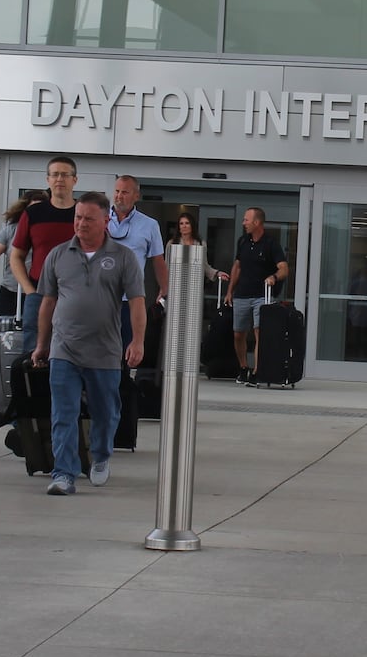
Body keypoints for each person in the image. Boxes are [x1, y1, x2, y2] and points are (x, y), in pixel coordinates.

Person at [32, 191, 145, 496]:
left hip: (105, 351)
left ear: (105, 221)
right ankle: (63, 473)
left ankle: (101, 454)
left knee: (105, 412)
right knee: (63, 413)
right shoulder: (58, 254)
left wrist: (137, 341)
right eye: (77, 217)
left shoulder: (123, 257)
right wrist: (42, 344)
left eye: (88, 219)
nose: (80, 224)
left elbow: (136, 302)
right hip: (64, 348)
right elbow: (48, 302)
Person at [10, 157, 78, 361]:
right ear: (47, 179)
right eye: (55, 174)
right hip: (38, 294)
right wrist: (29, 291)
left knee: (73, 356)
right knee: (34, 358)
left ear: (75, 179)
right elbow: (16, 256)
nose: (60, 179)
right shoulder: (33, 213)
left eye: (65, 174)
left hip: (76, 296)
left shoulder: (83, 214)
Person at [107, 175, 169, 354]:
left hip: (130, 300)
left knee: (125, 350)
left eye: (125, 192)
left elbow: (158, 260)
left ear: (136, 196)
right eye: (117, 191)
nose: (119, 196)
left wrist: (164, 290)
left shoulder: (149, 225)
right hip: (100, 297)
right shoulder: (100, 219)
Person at [227, 206, 289, 385]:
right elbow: (237, 266)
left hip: (262, 296)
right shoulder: (243, 242)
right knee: (238, 334)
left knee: (259, 332)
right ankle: (243, 367)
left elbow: (284, 268)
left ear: (257, 222)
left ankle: (257, 370)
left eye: (246, 220)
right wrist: (230, 290)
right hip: (242, 295)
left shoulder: (271, 244)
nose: (243, 223)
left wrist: (274, 277)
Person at [0, 189, 47, 316]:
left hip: (40, 292)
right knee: (6, 330)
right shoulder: (11, 230)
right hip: (12, 291)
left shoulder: (49, 232)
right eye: (33, 210)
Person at [169, 210, 229, 283]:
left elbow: (204, 265)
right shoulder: (172, 243)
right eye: (181, 223)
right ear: (179, 227)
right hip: (175, 283)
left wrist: (217, 273)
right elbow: (166, 266)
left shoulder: (200, 244)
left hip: (194, 283)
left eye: (187, 223)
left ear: (192, 225)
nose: (184, 226)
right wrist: (163, 287)